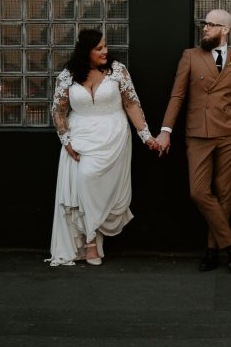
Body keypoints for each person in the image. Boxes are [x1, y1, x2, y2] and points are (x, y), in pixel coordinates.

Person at [47, 28, 160, 267]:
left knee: (94, 184)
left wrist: (146, 136)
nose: (105, 51)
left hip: (113, 136)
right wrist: (65, 140)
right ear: (85, 51)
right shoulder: (68, 75)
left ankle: (94, 236)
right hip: (79, 137)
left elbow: (131, 104)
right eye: (99, 48)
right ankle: (89, 243)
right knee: (83, 182)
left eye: (105, 46)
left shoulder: (117, 71)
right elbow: (58, 110)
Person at [156, 9, 231, 273]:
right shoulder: (190, 56)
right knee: (198, 191)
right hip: (198, 133)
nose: (205, 28)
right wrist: (166, 130)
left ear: (226, 29)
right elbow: (177, 97)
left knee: (224, 193)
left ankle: (212, 251)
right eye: (205, 24)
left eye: (211, 25)